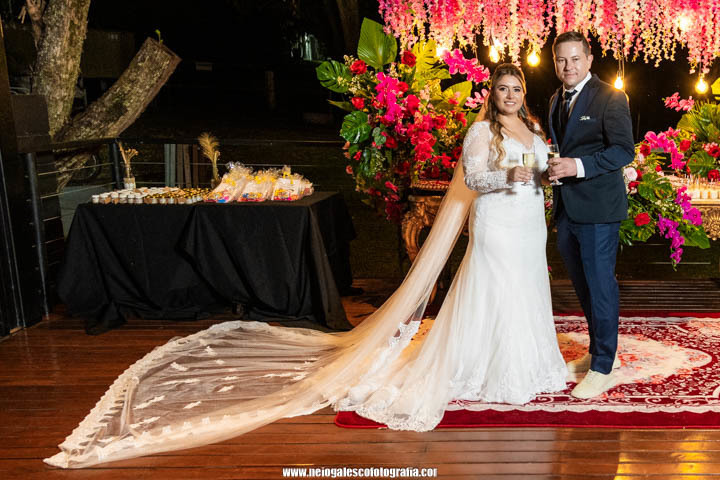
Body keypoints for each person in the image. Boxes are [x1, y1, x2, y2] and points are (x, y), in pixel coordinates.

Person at [45, 64, 566, 469]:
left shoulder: (532, 128)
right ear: (492, 95)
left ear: (523, 93)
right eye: (502, 90)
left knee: (524, 288)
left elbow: (541, 173)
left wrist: (546, 176)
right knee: (494, 287)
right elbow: (474, 180)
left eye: (516, 90)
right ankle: (484, 363)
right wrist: (509, 177)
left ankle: (529, 359)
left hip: (527, 225)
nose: (509, 96)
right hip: (497, 224)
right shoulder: (481, 134)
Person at [546, 32, 635, 399]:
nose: (568, 66)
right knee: (584, 287)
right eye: (561, 60)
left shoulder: (610, 97)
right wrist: (552, 169)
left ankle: (603, 367)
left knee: (600, 286)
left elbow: (623, 151)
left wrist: (577, 166)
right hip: (567, 210)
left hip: (598, 209)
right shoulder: (556, 99)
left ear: (589, 59)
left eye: (575, 59)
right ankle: (600, 352)